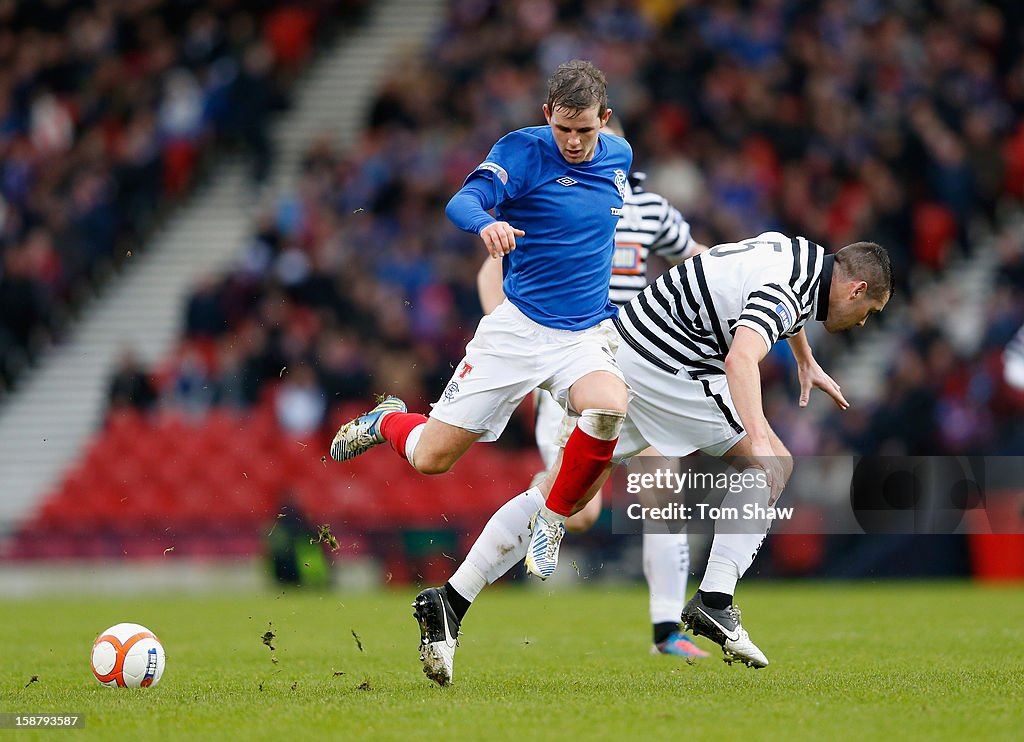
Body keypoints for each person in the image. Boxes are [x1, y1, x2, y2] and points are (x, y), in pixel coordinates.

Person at [413, 233, 892, 684]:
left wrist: (804, 358)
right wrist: (760, 436)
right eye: (869, 310)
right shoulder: (791, 289)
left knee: (566, 492)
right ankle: (715, 598)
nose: (864, 321)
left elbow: (775, 300)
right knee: (774, 465)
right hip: (670, 363)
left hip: (624, 348)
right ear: (856, 288)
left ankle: (450, 601)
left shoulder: (799, 253)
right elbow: (741, 358)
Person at [329, 62, 632, 579]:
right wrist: (487, 223)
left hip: (584, 334)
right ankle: (386, 420)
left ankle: (553, 518)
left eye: (585, 130)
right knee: (432, 458)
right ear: (546, 115)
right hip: (519, 329)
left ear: (604, 119)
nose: (575, 142)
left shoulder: (620, 157)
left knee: (608, 406)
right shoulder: (522, 149)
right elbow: (463, 200)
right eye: (563, 129)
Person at [476, 119, 710, 660]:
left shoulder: (648, 209)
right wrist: (508, 335)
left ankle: (665, 632)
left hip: (638, 366)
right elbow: (493, 270)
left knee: (664, 495)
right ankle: (527, 518)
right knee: (578, 511)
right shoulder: (548, 195)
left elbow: (695, 257)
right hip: (568, 363)